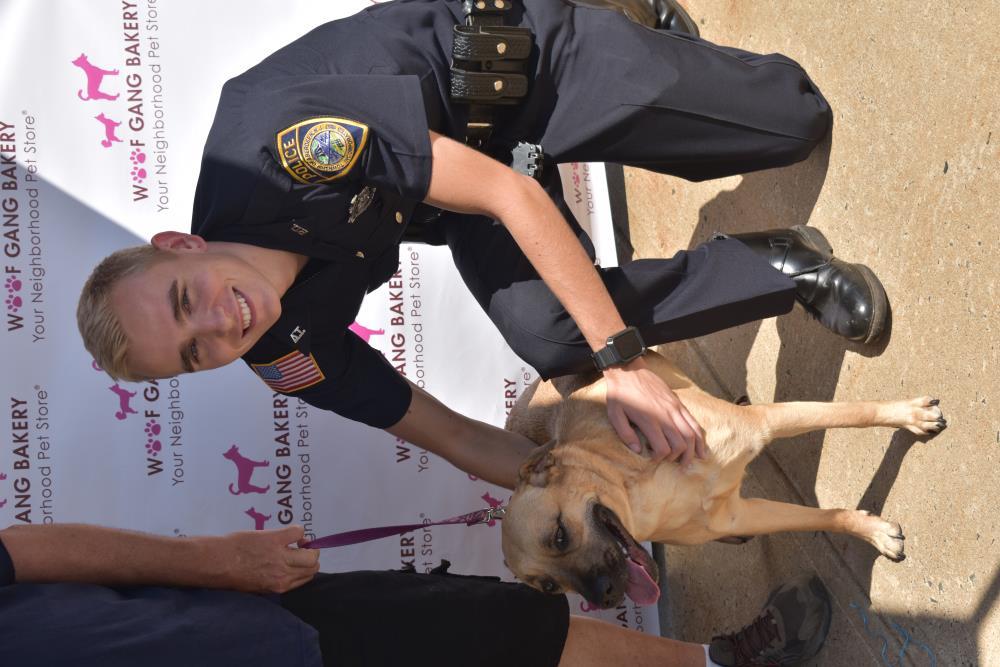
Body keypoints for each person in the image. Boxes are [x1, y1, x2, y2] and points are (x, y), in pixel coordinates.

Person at [77, 0, 889, 490]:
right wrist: (582, 489)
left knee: (794, 118)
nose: (218, 326)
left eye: (187, 301)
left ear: (180, 244)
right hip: (455, 194)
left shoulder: (279, 148)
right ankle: (785, 263)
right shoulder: (281, 354)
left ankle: (617, 20)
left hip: (505, 81)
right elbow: (456, 436)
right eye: (192, 354)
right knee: (550, 336)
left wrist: (627, 364)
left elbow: (509, 189)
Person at [0, 521, 833, 666]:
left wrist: (222, 563)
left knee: (508, 634)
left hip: (267, 628)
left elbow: (25, 553)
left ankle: (714, 659)